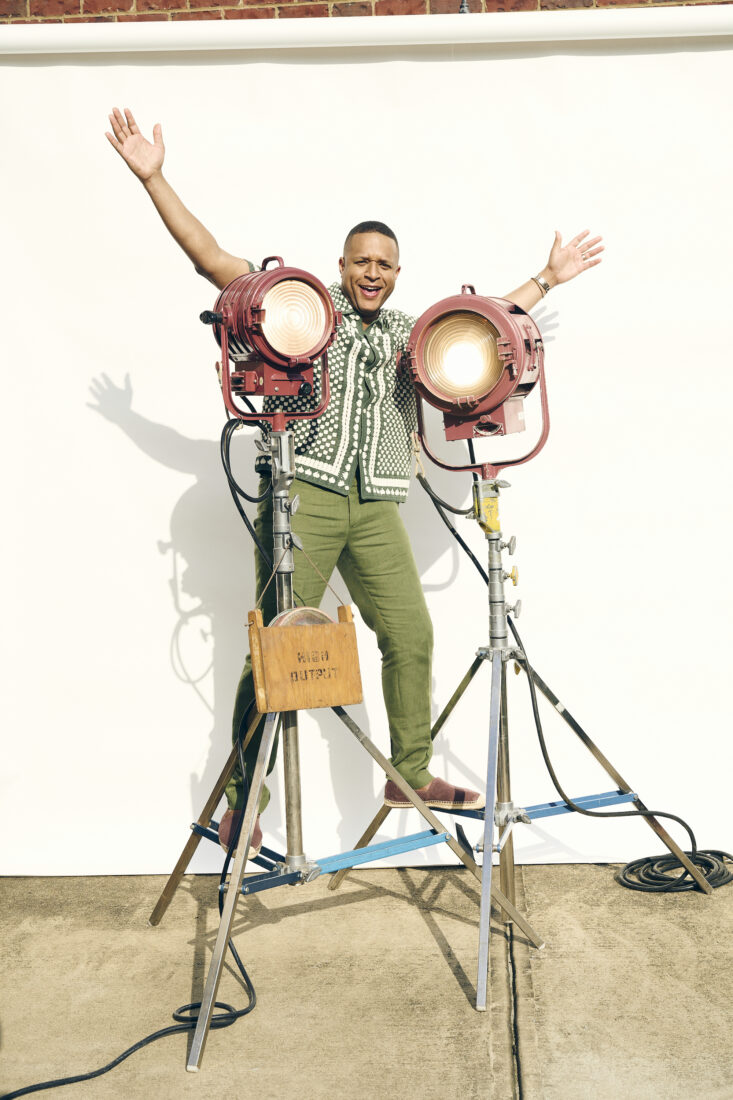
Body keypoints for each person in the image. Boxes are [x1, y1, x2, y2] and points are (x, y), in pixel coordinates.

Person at [106, 107, 603, 857]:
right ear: (342, 266)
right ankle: (245, 803)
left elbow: (483, 325)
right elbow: (213, 261)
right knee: (276, 650)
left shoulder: (412, 332)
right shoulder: (304, 311)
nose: (371, 273)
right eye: (360, 261)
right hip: (304, 497)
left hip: (377, 505)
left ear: (397, 273)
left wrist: (545, 280)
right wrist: (154, 177)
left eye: (384, 264)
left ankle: (407, 772)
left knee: (410, 633)